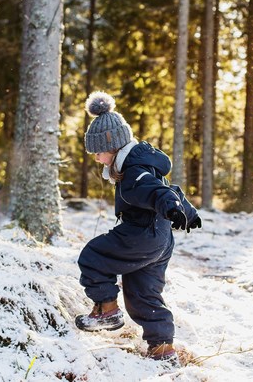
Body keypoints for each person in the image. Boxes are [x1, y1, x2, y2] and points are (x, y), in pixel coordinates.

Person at [75, 91, 202, 363]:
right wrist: (187, 212)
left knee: (93, 257)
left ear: (113, 145)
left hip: (141, 235)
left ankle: (107, 309)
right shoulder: (140, 165)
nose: (96, 158)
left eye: (98, 152)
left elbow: (157, 192)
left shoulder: (134, 172)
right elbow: (170, 189)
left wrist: (171, 207)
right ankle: (162, 349)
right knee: (143, 294)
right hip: (160, 239)